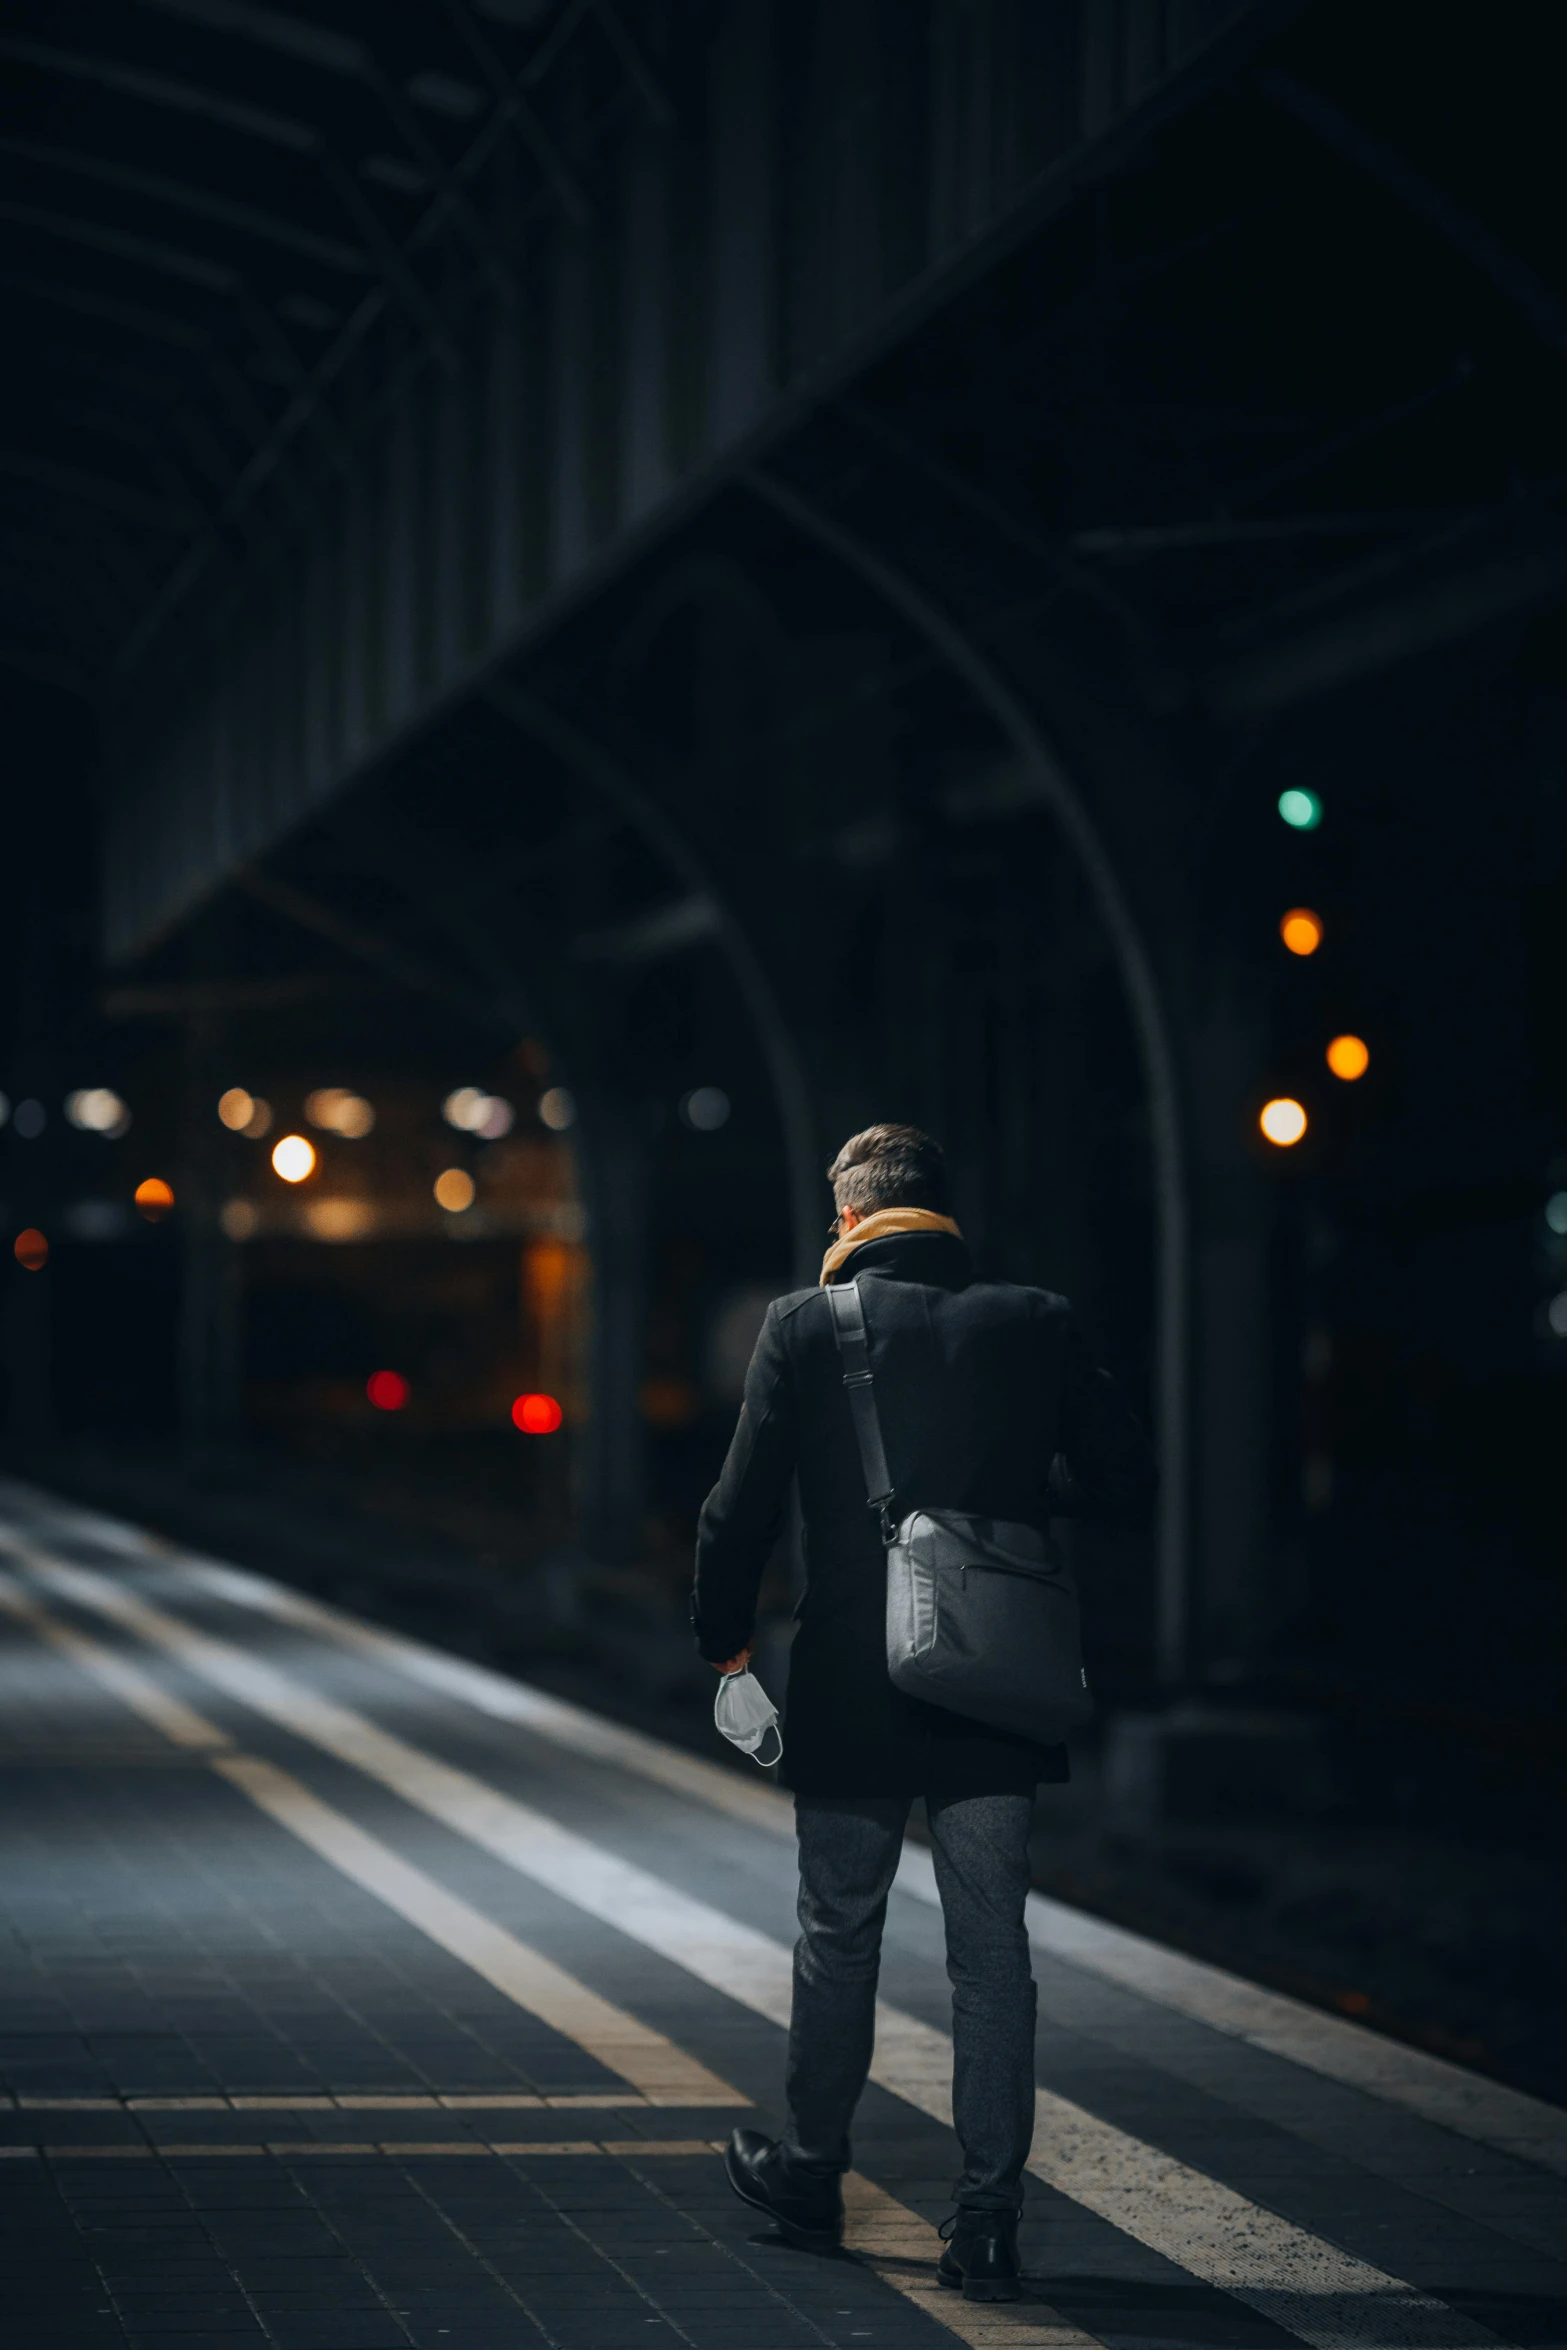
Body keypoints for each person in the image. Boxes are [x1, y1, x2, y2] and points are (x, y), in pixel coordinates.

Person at [692, 1122, 1154, 2302]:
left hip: (853, 1675)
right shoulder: (1035, 1319)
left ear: (848, 1218)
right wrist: (1008, 1501)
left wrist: (726, 1645)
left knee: (838, 1931)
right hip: (996, 1676)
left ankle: (810, 2172)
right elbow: (1122, 1478)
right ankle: (987, 2222)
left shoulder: (804, 1324)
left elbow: (734, 1509)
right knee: (991, 1955)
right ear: (942, 1213)